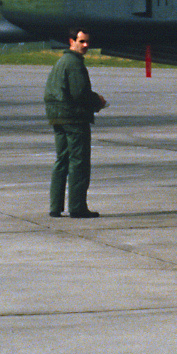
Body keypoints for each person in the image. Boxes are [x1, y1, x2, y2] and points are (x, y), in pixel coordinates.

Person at [46, 29, 107, 218]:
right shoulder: (74, 64)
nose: (85, 45)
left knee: (61, 161)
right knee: (79, 162)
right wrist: (98, 102)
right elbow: (79, 93)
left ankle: (55, 207)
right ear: (71, 41)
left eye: (87, 42)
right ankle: (77, 207)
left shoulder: (61, 62)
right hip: (74, 118)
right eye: (81, 41)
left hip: (58, 117)